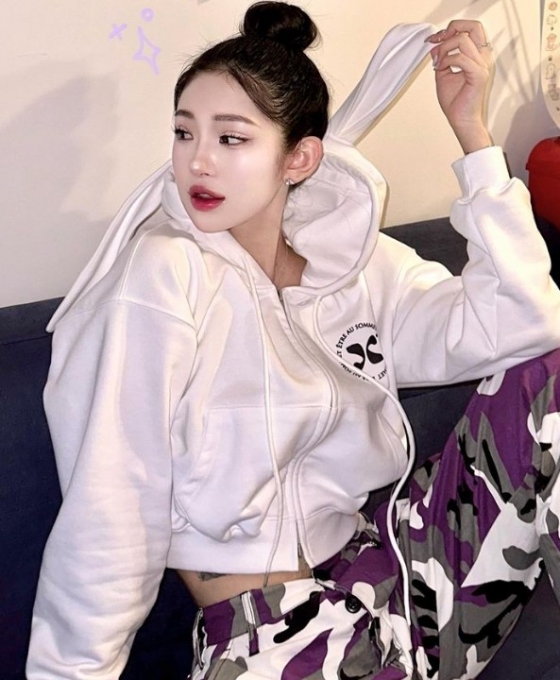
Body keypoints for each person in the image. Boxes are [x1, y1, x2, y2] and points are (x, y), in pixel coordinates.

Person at [26, 2, 560, 679]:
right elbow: (111, 504)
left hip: (404, 579)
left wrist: (474, 136)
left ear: (299, 158)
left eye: (231, 138)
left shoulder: (357, 267)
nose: (197, 161)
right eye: (184, 132)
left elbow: (528, 324)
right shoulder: (163, 274)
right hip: (274, 639)